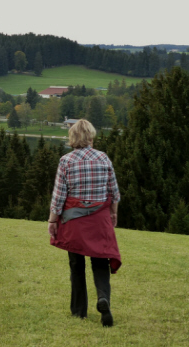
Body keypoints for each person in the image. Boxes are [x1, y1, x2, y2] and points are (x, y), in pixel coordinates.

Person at [48, 119, 121, 327]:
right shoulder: (103, 158)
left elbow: (59, 196)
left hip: (74, 220)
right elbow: (113, 191)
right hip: (99, 219)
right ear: (90, 136)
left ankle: (79, 311)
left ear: (73, 137)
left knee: (76, 264)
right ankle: (103, 298)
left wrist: (52, 220)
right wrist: (113, 213)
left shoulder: (66, 161)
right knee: (100, 260)